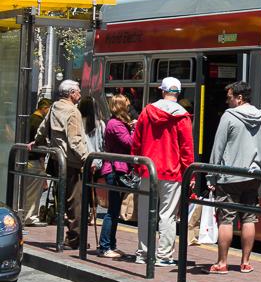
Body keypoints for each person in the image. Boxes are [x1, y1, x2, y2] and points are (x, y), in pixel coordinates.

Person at [206, 81, 261, 274]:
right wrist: (257, 165)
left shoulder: (228, 117)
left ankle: (222, 263)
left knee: (226, 219)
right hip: (253, 177)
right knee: (249, 218)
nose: (227, 101)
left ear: (239, 98)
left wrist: (211, 176)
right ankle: (245, 262)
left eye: (229, 97)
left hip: (229, 177)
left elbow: (218, 148)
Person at [131, 76, 195, 267]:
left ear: (162, 91)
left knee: (144, 212)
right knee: (167, 215)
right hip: (172, 170)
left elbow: (137, 140)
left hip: (147, 169)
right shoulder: (182, 116)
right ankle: (164, 255)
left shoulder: (147, 111)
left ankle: (143, 253)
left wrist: (136, 165)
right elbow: (187, 148)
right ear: (179, 93)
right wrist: (188, 172)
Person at [32, 80, 88, 249]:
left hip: (57, 160)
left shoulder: (55, 107)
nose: (79, 94)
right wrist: (87, 158)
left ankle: (68, 237)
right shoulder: (73, 112)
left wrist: (36, 142)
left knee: (63, 198)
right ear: (71, 93)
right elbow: (75, 140)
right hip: (71, 161)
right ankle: (74, 238)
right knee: (75, 202)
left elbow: (43, 128)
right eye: (78, 91)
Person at [97, 94, 134, 258]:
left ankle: (111, 244)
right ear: (120, 106)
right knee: (112, 211)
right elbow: (130, 143)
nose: (129, 107)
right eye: (127, 104)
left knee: (115, 209)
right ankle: (105, 247)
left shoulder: (117, 123)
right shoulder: (115, 124)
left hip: (118, 169)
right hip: (115, 170)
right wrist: (136, 129)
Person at [22, 98, 52, 227]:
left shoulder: (30, 119)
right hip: (34, 160)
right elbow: (40, 143)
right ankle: (30, 217)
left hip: (27, 159)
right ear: (44, 108)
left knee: (28, 190)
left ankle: (26, 214)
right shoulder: (39, 122)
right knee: (33, 191)